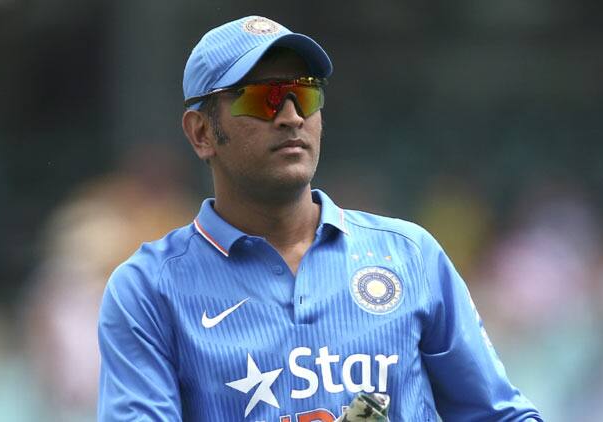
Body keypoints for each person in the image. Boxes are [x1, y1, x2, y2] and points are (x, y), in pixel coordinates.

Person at [97, 15, 543, 421]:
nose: (291, 116)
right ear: (201, 133)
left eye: (305, 93)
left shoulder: (410, 255)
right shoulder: (149, 289)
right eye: (263, 99)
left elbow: (504, 416)